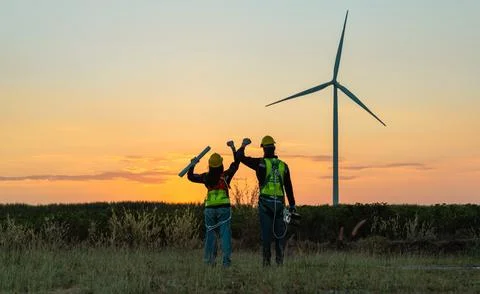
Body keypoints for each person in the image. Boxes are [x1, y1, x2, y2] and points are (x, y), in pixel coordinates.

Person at [236, 135, 296, 266]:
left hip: (265, 205)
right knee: (280, 235)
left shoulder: (261, 164)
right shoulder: (283, 166)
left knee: (266, 235)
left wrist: (243, 145)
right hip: (281, 205)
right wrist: (292, 206)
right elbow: (289, 187)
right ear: (274, 148)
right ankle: (280, 263)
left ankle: (266, 263)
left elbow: (240, 157)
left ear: (263, 149)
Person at [187, 145, 239, 267]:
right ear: (221, 165)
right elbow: (235, 165)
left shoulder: (205, 177)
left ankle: (209, 262)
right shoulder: (225, 176)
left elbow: (191, 177)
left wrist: (192, 164)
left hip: (210, 210)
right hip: (224, 210)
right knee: (225, 235)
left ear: (210, 165)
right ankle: (226, 263)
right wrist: (233, 149)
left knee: (210, 234)